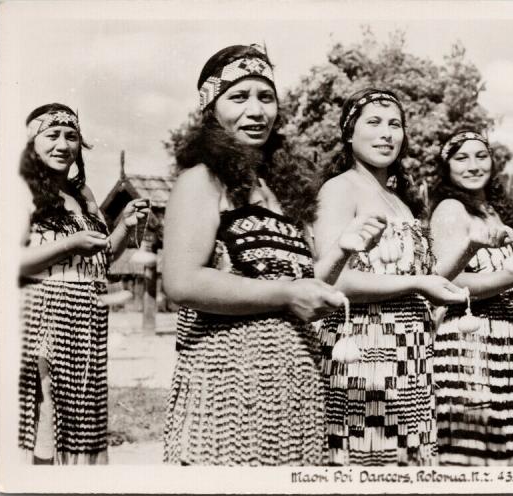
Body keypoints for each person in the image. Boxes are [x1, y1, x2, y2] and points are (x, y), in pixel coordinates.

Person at [162, 44, 383, 466]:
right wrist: (286, 294)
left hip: (296, 382)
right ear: (211, 108)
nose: (256, 110)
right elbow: (182, 282)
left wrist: (341, 249)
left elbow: (303, 287)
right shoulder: (200, 180)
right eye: (238, 97)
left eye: (265, 97)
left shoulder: (283, 191)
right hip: (225, 386)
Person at [314, 88, 467, 466]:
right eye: (374, 122)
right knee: (367, 461)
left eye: (395, 124)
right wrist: (416, 284)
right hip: (361, 350)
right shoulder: (338, 189)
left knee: (408, 461)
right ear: (349, 134)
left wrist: (469, 250)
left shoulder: (400, 199)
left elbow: (425, 278)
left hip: (411, 350)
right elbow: (335, 282)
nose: (387, 134)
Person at [18, 103, 150, 464]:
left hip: (87, 327)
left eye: (72, 136)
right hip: (42, 325)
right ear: (31, 142)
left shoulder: (84, 196)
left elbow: (100, 258)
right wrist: (69, 243)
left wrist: (124, 224)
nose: (63, 144)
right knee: (45, 429)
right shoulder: (20, 192)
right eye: (53, 135)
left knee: (81, 432)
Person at [428, 131, 513, 465]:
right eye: (461, 158)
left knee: (508, 448)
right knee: (472, 452)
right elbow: (449, 281)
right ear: (446, 167)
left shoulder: (496, 211)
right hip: (470, 340)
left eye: (480, 156)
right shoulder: (451, 208)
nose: (473, 166)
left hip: (510, 341)